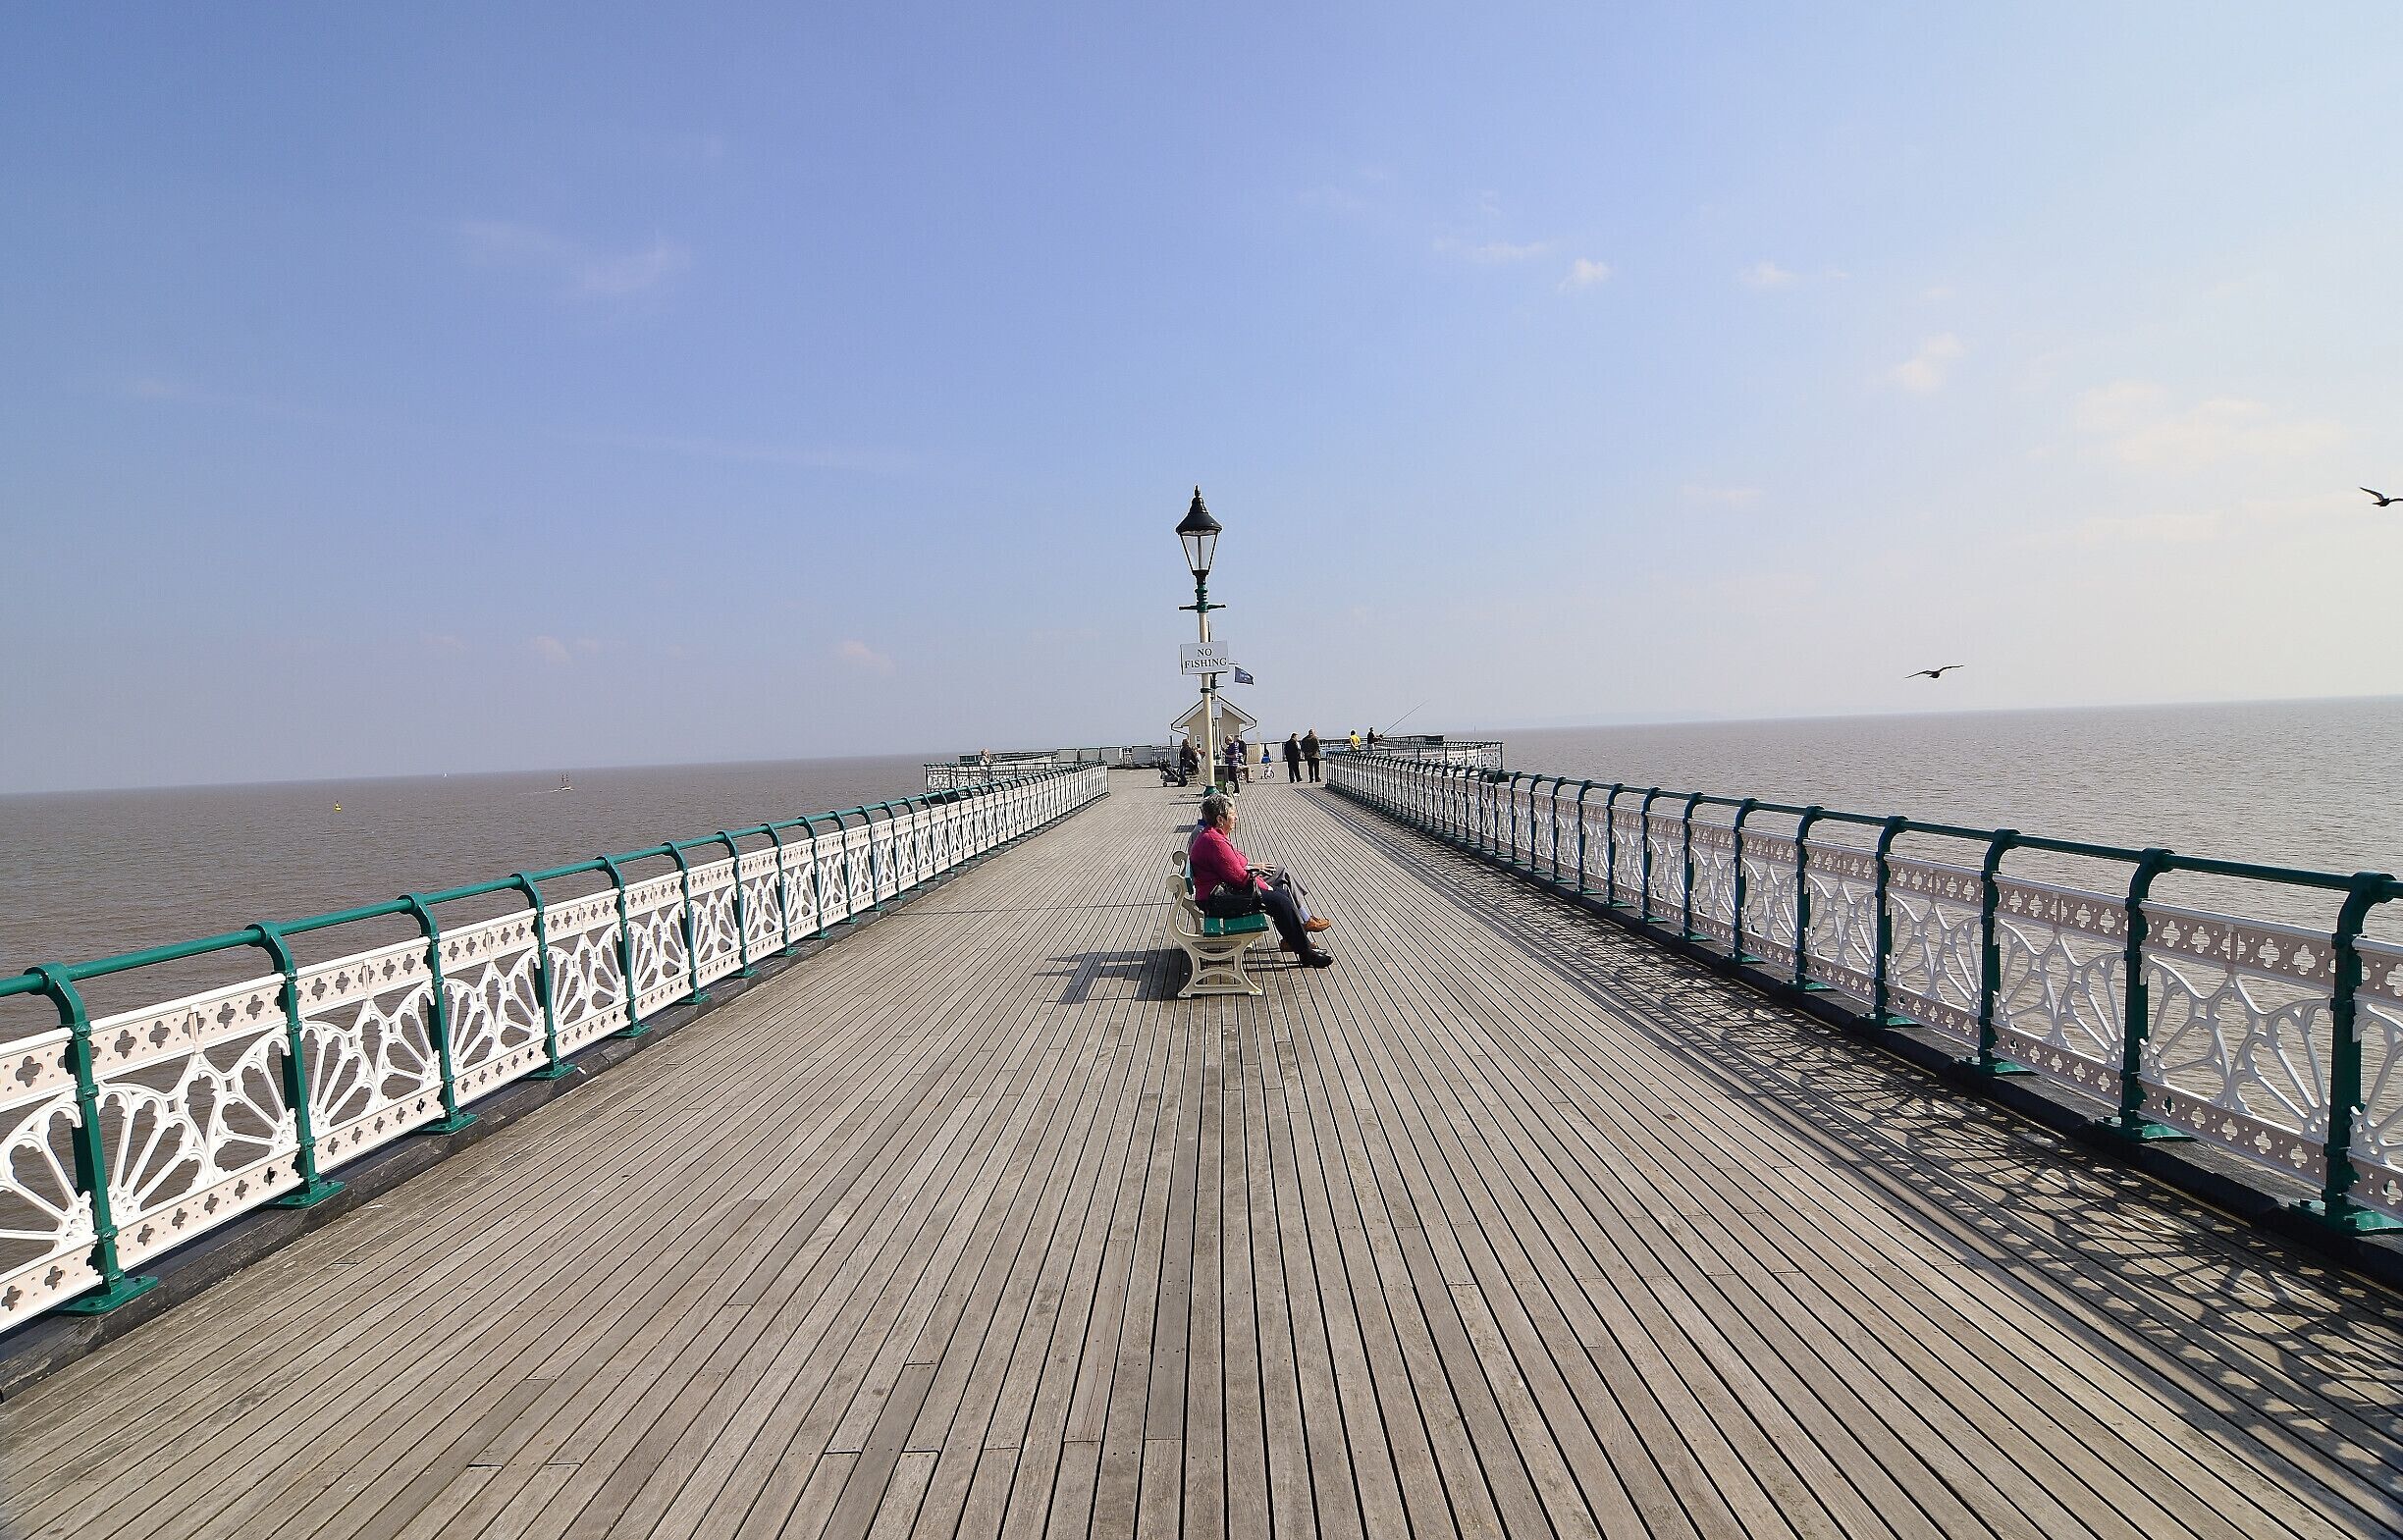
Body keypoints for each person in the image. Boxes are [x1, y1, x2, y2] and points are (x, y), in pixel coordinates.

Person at [1188, 793, 1333, 966]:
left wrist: (1260, 881)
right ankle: (1306, 952)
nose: (1236, 818)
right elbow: (1240, 878)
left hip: (1217, 894)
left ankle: (1302, 948)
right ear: (1220, 818)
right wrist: (1265, 887)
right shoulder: (1214, 841)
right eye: (1232, 814)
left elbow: (1239, 861)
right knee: (1279, 900)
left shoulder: (1213, 836)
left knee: (1282, 895)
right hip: (1215, 899)